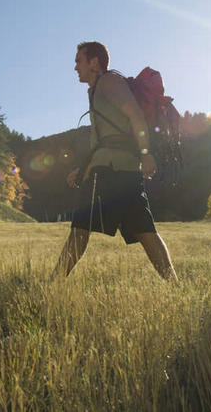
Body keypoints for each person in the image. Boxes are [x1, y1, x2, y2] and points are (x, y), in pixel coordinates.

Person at [53, 41, 178, 281]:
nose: (75, 67)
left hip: (111, 170)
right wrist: (83, 170)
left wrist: (145, 153)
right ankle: (174, 284)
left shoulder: (109, 82)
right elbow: (105, 140)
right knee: (145, 231)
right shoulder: (96, 89)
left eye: (79, 61)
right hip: (119, 168)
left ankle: (53, 283)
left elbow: (136, 116)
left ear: (94, 62)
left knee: (80, 229)